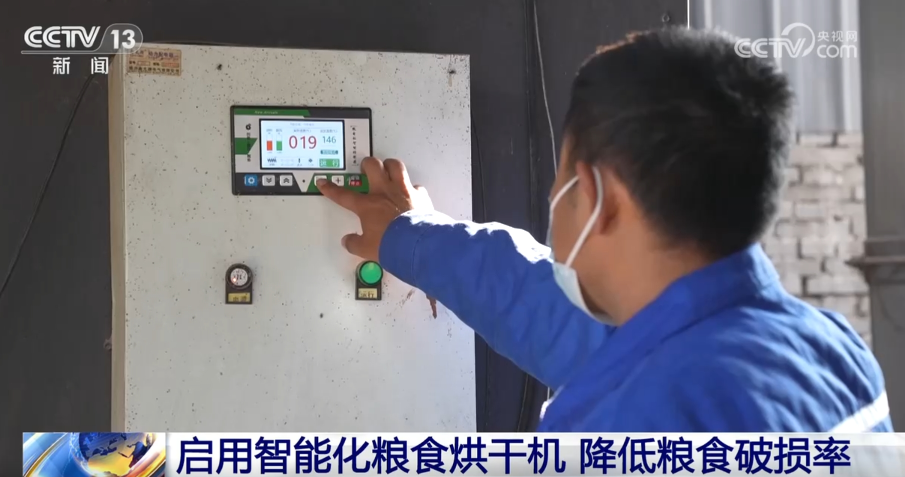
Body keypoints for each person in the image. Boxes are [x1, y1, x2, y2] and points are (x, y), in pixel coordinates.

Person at [315, 27, 891, 432]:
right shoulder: (833, 354)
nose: (553, 198)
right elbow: (539, 306)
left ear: (596, 197)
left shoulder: (620, 426)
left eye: (561, 177)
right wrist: (411, 236)